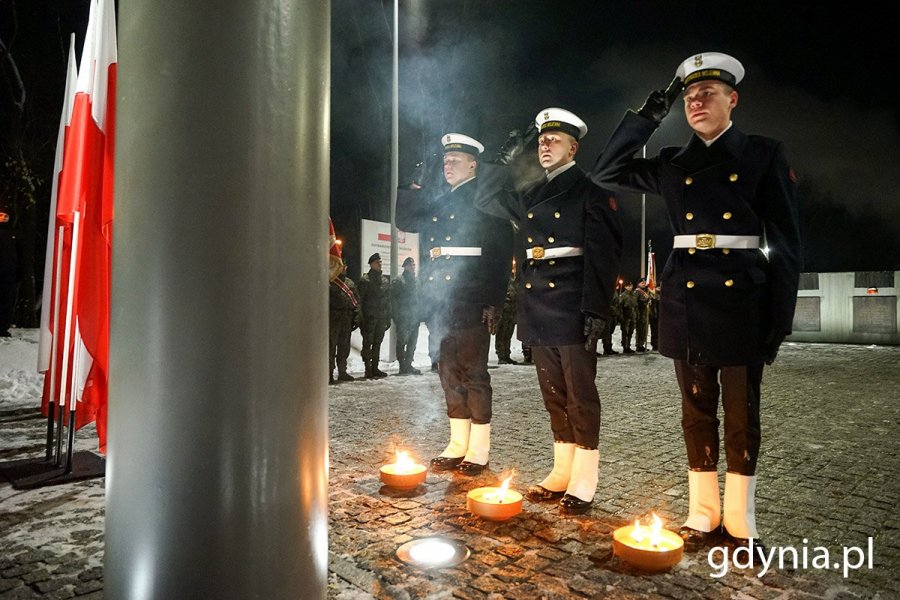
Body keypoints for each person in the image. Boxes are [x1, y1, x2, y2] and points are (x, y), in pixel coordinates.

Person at [592, 52, 801, 553]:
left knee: (741, 415)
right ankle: (704, 513)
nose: (696, 102)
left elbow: (787, 243)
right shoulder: (672, 163)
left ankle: (741, 517)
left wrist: (780, 317)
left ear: (733, 99)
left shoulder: (762, 154)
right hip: (687, 298)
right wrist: (646, 118)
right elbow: (605, 172)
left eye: (707, 94)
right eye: (687, 97)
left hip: (742, 299)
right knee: (695, 412)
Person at [475, 108, 623, 514]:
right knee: (554, 395)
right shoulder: (530, 193)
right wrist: (499, 162)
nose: (544, 145)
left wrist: (596, 307)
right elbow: (485, 197)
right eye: (540, 140)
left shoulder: (591, 190)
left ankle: (585, 477)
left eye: (553, 139)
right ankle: (562, 470)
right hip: (538, 302)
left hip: (572, 303)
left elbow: (604, 254)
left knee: (580, 396)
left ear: (573, 147)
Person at [396, 133, 513, 476]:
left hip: (470, 295)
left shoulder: (485, 197)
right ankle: (457, 443)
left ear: (474, 164)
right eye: (445, 160)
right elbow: (405, 220)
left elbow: (500, 251)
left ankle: (478, 448)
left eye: (455, 160)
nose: (447, 165)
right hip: (440, 300)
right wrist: (414, 180)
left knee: (474, 373)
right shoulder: (442, 198)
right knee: (447, 372)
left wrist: (494, 300)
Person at [357, 253, 391, 379]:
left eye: (380, 262)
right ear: (371, 264)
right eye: (377, 262)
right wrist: (361, 318)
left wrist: (388, 317)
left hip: (381, 317)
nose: (379, 264)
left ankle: (375, 367)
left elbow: (388, 301)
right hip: (369, 318)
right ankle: (368, 368)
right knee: (367, 343)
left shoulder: (384, 280)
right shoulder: (365, 280)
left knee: (378, 343)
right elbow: (359, 300)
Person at [329, 264, 361, 383]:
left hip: (346, 319)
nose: (344, 269)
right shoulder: (330, 281)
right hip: (333, 319)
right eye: (341, 266)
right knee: (331, 347)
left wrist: (357, 316)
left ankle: (342, 371)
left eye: (345, 266)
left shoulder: (350, 283)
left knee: (344, 347)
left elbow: (357, 301)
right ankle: (329, 373)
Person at [391, 256, 422, 375]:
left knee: (412, 343)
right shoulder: (399, 280)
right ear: (405, 267)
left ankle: (408, 364)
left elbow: (419, 298)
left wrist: (420, 314)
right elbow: (393, 300)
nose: (413, 267)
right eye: (410, 265)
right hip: (403, 318)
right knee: (402, 342)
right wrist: (396, 317)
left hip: (414, 317)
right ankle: (402, 365)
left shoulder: (417, 281)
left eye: (414, 265)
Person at [494, 265, 518, 364]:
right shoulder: (502, 279)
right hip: (504, 310)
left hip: (512, 311)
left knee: (508, 333)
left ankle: (507, 354)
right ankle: (501, 356)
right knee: (501, 333)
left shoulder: (514, 279)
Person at [618, 281, 637, 354]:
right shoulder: (622, 295)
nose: (630, 287)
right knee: (625, 332)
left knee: (630, 332)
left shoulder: (633, 295)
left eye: (631, 286)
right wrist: (621, 317)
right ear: (625, 287)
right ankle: (625, 347)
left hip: (632, 316)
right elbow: (620, 307)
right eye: (628, 286)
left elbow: (635, 306)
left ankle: (628, 346)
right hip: (626, 316)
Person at [634, 278, 651, 352]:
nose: (643, 284)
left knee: (644, 330)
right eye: (642, 283)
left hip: (644, 313)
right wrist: (645, 302)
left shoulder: (644, 292)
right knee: (640, 330)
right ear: (638, 284)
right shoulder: (637, 292)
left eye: (644, 283)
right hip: (639, 313)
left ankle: (642, 344)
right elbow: (635, 303)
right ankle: (639, 345)